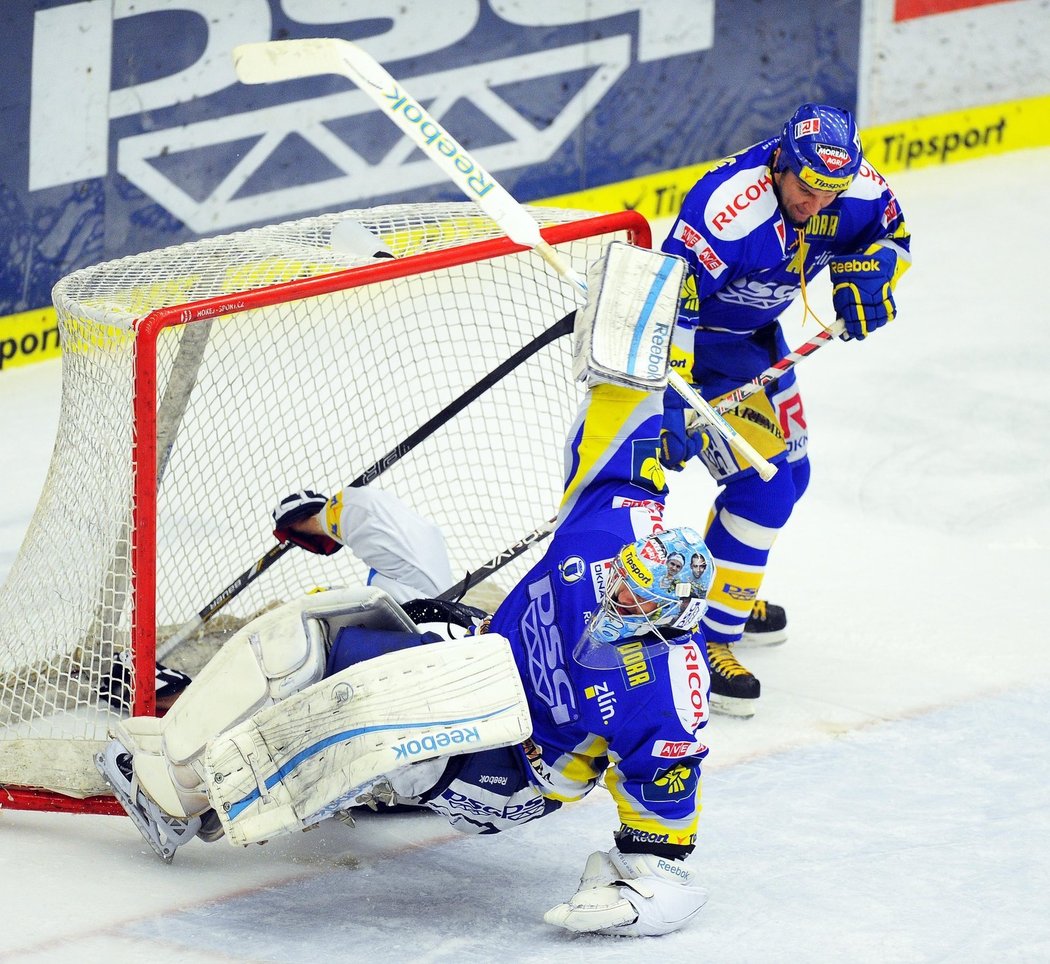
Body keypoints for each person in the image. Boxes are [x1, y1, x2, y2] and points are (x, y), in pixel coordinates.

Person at [95, 244, 717, 938]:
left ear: (673, 623)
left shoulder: (665, 691)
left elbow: (664, 823)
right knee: (334, 607)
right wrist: (662, 336)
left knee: (358, 692)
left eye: (634, 607)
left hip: (507, 766)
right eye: (622, 587)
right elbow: (622, 416)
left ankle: (198, 798)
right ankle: (208, 753)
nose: (615, 602)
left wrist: (639, 885)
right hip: (472, 657)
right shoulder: (610, 538)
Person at [658, 102, 912, 717]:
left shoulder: (853, 192)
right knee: (762, 491)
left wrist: (877, 271)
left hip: (756, 347)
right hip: (694, 356)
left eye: (830, 192)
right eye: (806, 187)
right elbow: (669, 298)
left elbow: (894, 238)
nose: (816, 204)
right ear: (781, 163)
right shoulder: (727, 210)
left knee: (792, 479)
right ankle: (705, 638)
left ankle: (724, 596)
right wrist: (673, 391)